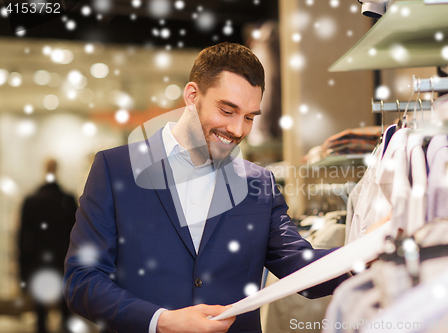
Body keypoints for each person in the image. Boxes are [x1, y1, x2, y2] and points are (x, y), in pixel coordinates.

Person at [63, 42, 348, 333]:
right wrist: (161, 321)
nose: (238, 130)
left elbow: (299, 264)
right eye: (227, 111)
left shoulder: (259, 183)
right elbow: (83, 280)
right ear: (192, 95)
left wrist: (367, 253)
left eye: (249, 117)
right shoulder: (116, 169)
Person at [19, 159, 77, 333]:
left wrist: (23, 269)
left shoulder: (31, 201)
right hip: (64, 261)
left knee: (40, 314)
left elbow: (23, 239)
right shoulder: (67, 200)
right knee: (66, 313)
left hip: (38, 262)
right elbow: (77, 236)